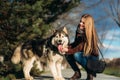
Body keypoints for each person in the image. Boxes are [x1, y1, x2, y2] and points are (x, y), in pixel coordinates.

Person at [59, 14, 100, 80]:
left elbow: (80, 47)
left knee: (76, 55)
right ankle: (77, 73)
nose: (80, 23)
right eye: (80, 21)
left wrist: (68, 50)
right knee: (67, 54)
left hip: (92, 57)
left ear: (88, 24)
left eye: (83, 23)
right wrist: (66, 47)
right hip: (83, 53)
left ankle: (90, 73)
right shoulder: (79, 30)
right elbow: (76, 43)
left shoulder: (90, 34)